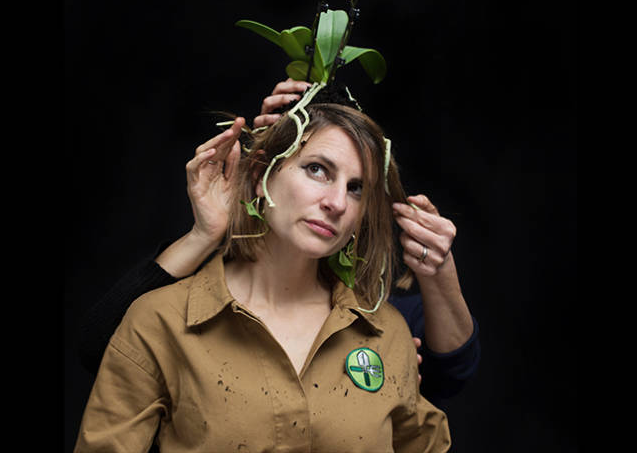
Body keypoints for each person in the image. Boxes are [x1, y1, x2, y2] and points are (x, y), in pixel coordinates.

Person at [74, 83, 468, 452]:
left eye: (356, 188)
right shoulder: (160, 321)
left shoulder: (386, 332)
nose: (337, 203)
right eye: (317, 169)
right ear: (262, 175)